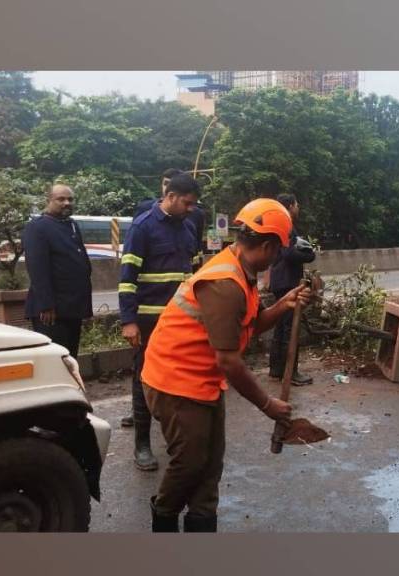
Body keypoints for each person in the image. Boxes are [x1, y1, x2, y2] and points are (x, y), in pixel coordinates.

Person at [141, 198, 310, 532]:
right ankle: (163, 519)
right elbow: (230, 361)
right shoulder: (226, 283)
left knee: (208, 468)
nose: (278, 260)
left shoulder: (240, 269)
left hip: (202, 382)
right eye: (278, 252)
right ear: (266, 246)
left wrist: (284, 304)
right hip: (175, 382)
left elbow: (249, 324)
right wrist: (267, 405)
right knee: (189, 464)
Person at [118, 173, 201, 471]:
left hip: (179, 321)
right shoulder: (142, 227)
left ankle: (173, 437)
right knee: (144, 379)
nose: (192, 209)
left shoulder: (188, 228)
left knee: (177, 380)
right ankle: (142, 444)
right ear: (172, 196)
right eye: (188, 203)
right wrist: (129, 321)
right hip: (149, 320)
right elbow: (127, 280)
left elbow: (194, 273)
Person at [23, 184, 93, 357]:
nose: (67, 203)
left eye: (70, 199)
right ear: (49, 200)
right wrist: (46, 305)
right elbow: (37, 269)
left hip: (73, 306)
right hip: (53, 311)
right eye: (61, 199)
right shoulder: (38, 227)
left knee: (71, 356)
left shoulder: (72, 225)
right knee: (56, 358)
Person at [268, 193, 316, 385]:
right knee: (290, 328)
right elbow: (289, 253)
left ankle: (276, 369)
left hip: (279, 280)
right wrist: (309, 254)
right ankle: (291, 373)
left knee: (280, 327)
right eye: (297, 204)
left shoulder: (278, 223)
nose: (299, 208)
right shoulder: (286, 224)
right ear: (289, 206)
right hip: (288, 282)